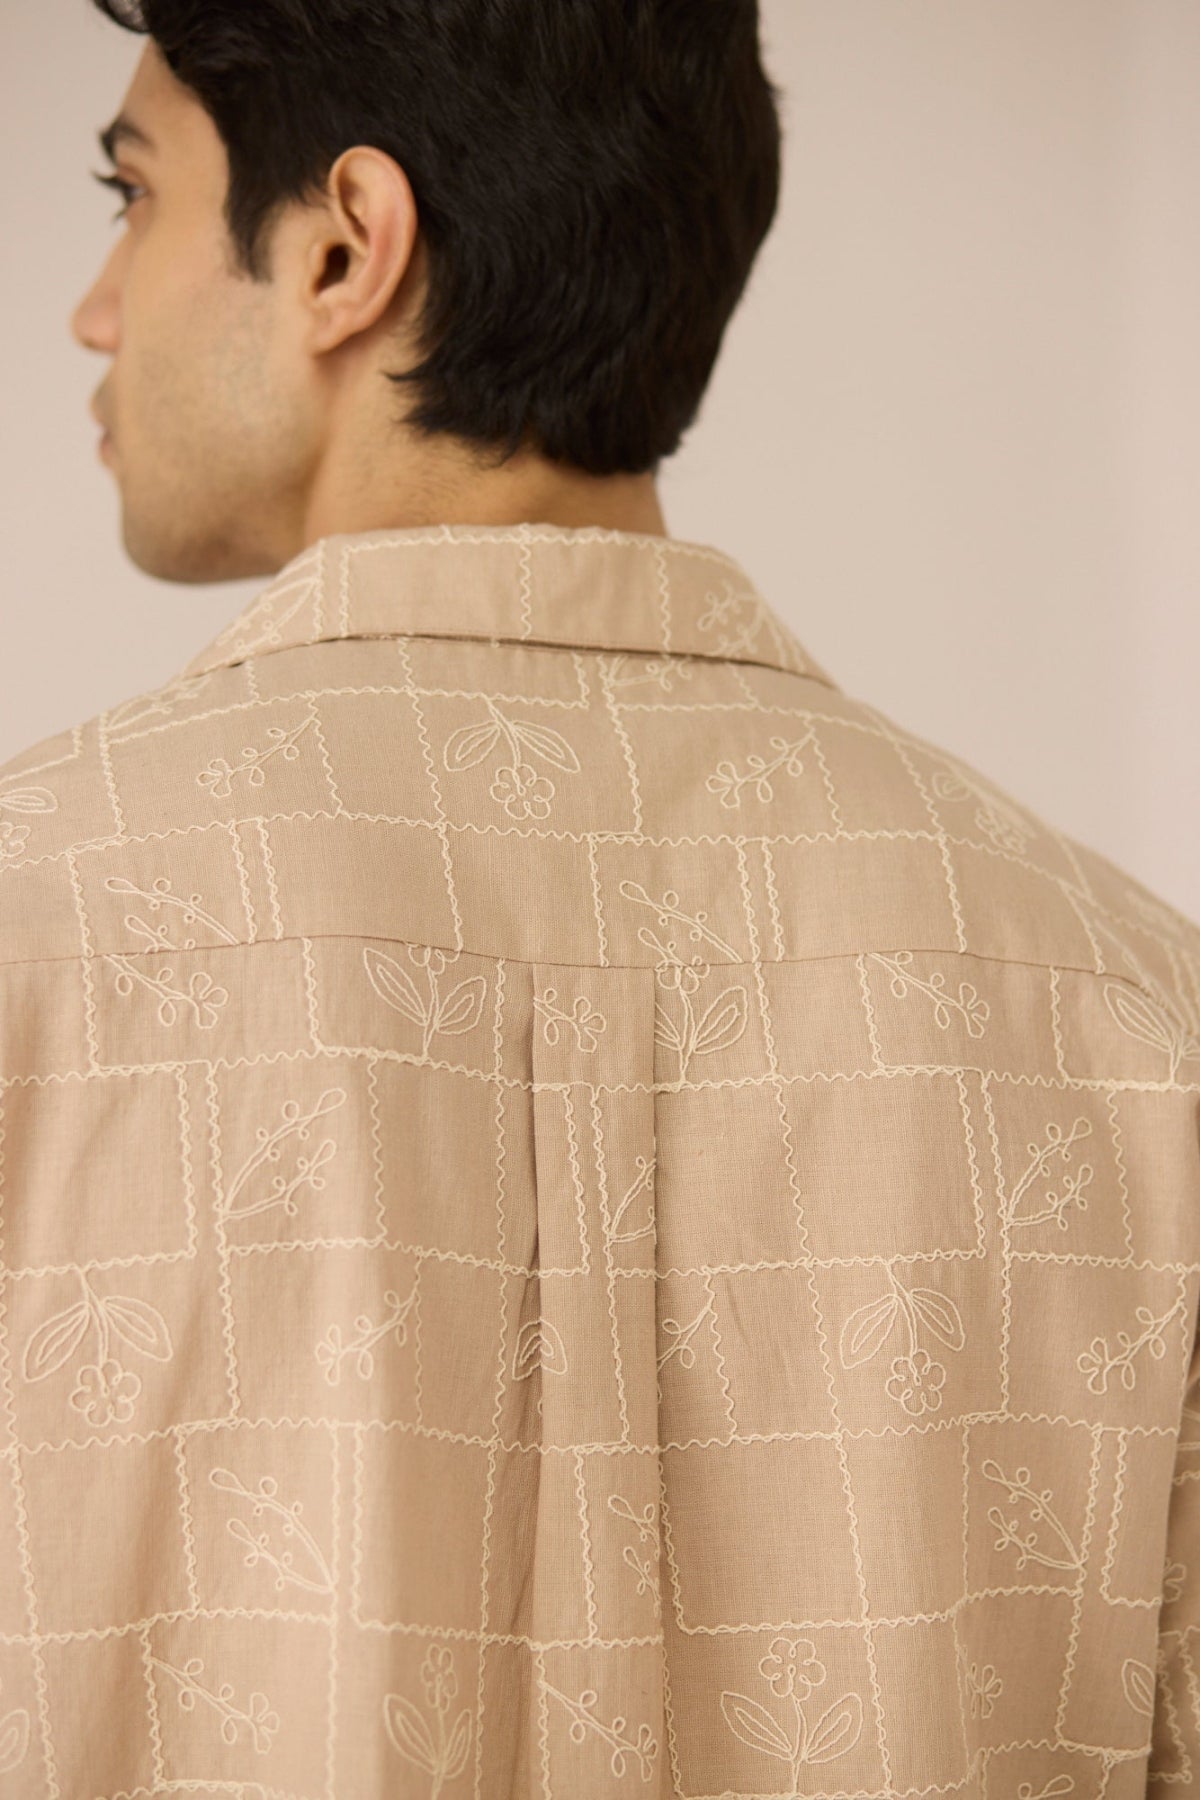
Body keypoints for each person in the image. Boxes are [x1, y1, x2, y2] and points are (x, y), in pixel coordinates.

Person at [1, 1, 1197, 1793]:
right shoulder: (1129, 1011)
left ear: (345, 247)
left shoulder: (35, 928)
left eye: (131, 191)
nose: (96, 307)